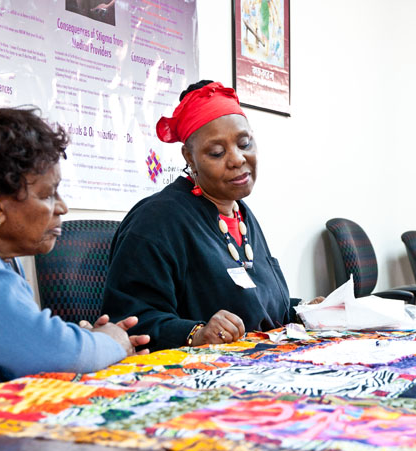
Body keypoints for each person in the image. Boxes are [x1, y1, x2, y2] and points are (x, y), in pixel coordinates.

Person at [0, 106, 150, 399]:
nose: (61, 207)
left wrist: (84, 338)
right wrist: (111, 341)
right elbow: (50, 354)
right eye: (48, 194)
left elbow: (26, 342)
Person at [102, 80, 322, 351]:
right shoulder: (156, 221)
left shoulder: (241, 214)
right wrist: (195, 333)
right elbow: (129, 322)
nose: (237, 159)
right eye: (217, 152)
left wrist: (303, 310)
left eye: (245, 143)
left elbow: (256, 305)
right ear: (190, 158)